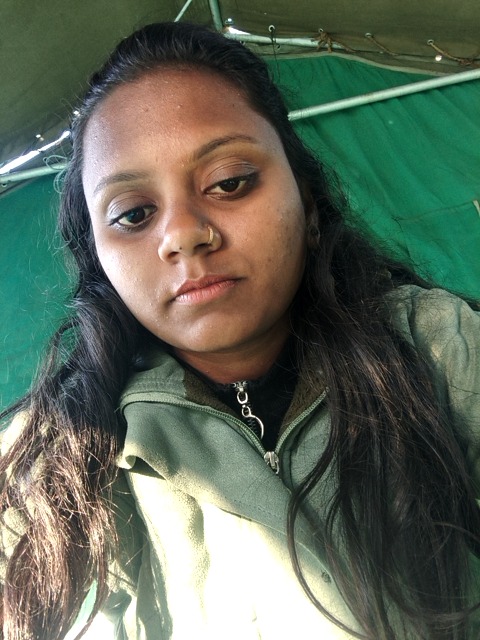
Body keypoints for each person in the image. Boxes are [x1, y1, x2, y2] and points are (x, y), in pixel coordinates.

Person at [1, 21, 479, 640]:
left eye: (228, 182)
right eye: (134, 214)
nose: (182, 234)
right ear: (99, 260)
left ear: (308, 203)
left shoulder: (438, 345)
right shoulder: (70, 442)